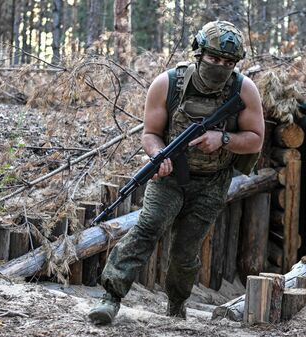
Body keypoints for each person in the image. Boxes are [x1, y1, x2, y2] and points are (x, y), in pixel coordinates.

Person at [88, 20, 264, 324]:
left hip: (212, 182)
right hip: (169, 178)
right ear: (198, 54)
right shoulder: (168, 84)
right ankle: (111, 296)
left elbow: (255, 140)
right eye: (213, 59)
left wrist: (222, 139)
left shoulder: (244, 89)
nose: (220, 66)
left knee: (186, 251)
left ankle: (176, 306)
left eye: (228, 62)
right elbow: (150, 134)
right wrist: (159, 156)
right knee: (147, 228)